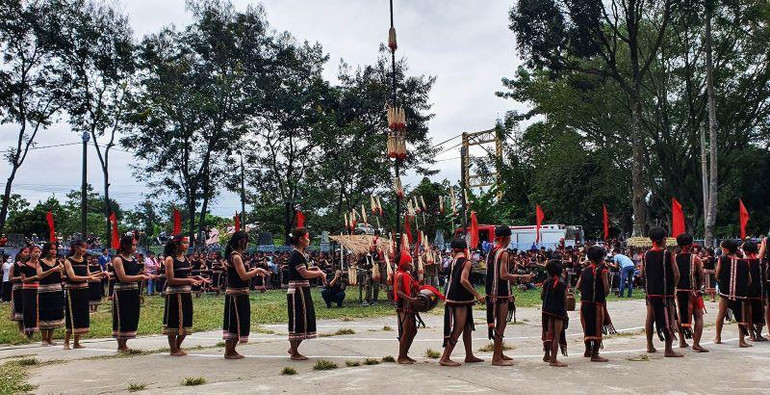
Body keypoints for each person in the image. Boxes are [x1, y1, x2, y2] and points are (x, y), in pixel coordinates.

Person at [485, 225, 532, 366]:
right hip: (500, 294)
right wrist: (522, 277)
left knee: (500, 324)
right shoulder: (503, 253)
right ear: (506, 237)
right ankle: (496, 358)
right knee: (501, 324)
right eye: (510, 236)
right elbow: (503, 275)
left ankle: (499, 353)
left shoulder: (492, 251)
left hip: (491, 292)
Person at [222, 231, 268, 359]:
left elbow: (242, 273)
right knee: (234, 321)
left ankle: (232, 350)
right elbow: (243, 276)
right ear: (241, 242)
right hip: (235, 294)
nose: (248, 243)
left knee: (240, 320)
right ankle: (229, 350)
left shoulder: (238, 256)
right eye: (246, 241)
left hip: (241, 293)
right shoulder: (235, 256)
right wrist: (257, 270)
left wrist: (254, 271)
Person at [439, 238, 485, 367]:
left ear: (454, 250)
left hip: (454, 296)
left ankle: (469, 355)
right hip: (460, 298)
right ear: (465, 249)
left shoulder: (452, 261)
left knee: (467, 327)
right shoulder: (466, 262)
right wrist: (477, 294)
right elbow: (463, 280)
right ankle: (445, 357)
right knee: (459, 327)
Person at [642, 228, 682, 357]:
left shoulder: (645, 255)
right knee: (668, 319)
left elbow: (642, 273)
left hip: (651, 292)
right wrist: (673, 287)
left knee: (650, 318)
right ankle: (668, 349)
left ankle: (650, 345)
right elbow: (676, 274)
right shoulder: (668, 254)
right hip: (665, 293)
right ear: (663, 239)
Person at [287, 227, 326, 360]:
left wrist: (316, 269)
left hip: (303, 290)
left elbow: (306, 270)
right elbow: (304, 273)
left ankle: (293, 348)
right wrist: (319, 273)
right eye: (307, 237)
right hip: (297, 291)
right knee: (297, 320)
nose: (309, 240)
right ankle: (294, 351)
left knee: (306, 319)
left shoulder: (301, 254)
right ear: (301, 239)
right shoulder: (296, 254)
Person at [163, 235, 205, 356]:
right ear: (177, 244)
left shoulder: (186, 258)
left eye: (187, 243)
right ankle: (173, 348)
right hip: (174, 294)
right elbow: (171, 280)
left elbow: (184, 276)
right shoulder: (170, 259)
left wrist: (196, 277)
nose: (187, 245)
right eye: (184, 243)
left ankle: (177, 346)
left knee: (186, 322)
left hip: (186, 293)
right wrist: (189, 281)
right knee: (173, 322)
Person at [112, 235, 150, 352]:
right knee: (122, 316)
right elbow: (123, 277)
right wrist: (140, 276)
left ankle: (125, 343)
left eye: (135, 245)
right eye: (133, 245)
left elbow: (134, 275)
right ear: (125, 245)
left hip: (133, 291)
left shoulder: (133, 259)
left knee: (131, 317)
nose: (135, 247)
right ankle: (120, 344)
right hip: (122, 293)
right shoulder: (118, 259)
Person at [576, 245, 614, 362]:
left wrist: (587, 292)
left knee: (587, 326)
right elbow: (606, 289)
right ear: (601, 257)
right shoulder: (603, 270)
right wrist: (601, 295)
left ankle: (587, 349)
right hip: (597, 303)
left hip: (585, 303)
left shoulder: (584, 271)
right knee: (597, 327)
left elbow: (578, 286)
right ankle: (595, 353)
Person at [63, 240, 102, 350]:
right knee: (72, 315)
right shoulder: (68, 261)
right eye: (82, 247)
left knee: (81, 316)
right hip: (72, 291)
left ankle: (76, 342)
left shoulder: (85, 261)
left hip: (84, 290)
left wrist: (101, 274)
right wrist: (90, 278)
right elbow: (73, 277)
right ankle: (66, 342)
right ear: (75, 247)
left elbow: (88, 275)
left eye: (85, 247)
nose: (84, 250)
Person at [674, 233, 708, 352]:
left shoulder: (674, 258)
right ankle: (696, 343)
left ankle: (682, 341)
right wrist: (699, 288)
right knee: (698, 315)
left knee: (680, 315)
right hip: (693, 292)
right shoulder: (696, 259)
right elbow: (700, 275)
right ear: (690, 245)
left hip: (679, 292)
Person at [714, 239, 751, 347]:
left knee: (721, 314)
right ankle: (742, 341)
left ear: (725, 250)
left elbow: (717, 276)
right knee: (741, 317)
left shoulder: (722, 259)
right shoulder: (744, 262)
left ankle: (718, 337)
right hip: (740, 293)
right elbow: (749, 280)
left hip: (725, 291)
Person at [37, 242, 65, 346]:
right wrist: (53, 269)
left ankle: (50, 338)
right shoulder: (40, 262)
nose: (54, 251)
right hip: (44, 291)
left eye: (55, 249)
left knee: (54, 313)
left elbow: (61, 276)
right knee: (45, 314)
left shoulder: (58, 261)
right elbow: (39, 276)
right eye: (51, 249)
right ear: (47, 250)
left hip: (56, 290)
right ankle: (44, 338)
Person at [541, 259, 568, 367]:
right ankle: (553, 359)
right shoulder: (562, 285)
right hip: (558, 312)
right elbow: (565, 300)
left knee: (548, 333)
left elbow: (542, 296)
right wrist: (565, 313)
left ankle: (547, 354)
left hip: (546, 311)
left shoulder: (546, 283)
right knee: (556, 336)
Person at [394, 248, 419, 364]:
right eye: (408, 262)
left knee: (413, 330)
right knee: (407, 331)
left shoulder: (406, 274)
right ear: (402, 263)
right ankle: (401, 356)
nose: (410, 264)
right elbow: (398, 292)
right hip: (404, 305)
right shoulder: (399, 275)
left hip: (410, 305)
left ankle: (405, 354)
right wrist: (411, 299)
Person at [742, 241, 764, 341]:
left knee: (748, 312)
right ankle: (759, 334)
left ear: (745, 251)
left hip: (747, 291)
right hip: (759, 290)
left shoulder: (743, 262)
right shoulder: (760, 261)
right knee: (759, 311)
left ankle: (751, 335)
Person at [20, 246, 40, 338]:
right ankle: (28, 331)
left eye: (39, 252)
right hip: (27, 290)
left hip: (38, 289)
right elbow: (23, 280)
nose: (37, 254)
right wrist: (35, 277)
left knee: (37, 309)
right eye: (35, 252)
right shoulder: (24, 265)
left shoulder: (41, 264)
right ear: (31, 253)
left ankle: (36, 330)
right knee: (28, 309)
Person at [9, 248, 30, 332]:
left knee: (28, 307)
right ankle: (21, 330)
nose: (27, 254)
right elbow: (10, 278)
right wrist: (21, 278)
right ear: (20, 254)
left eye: (29, 252)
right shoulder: (14, 265)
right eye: (25, 252)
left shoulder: (31, 265)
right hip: (18, 288)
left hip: (29, 287)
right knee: (19, 307)